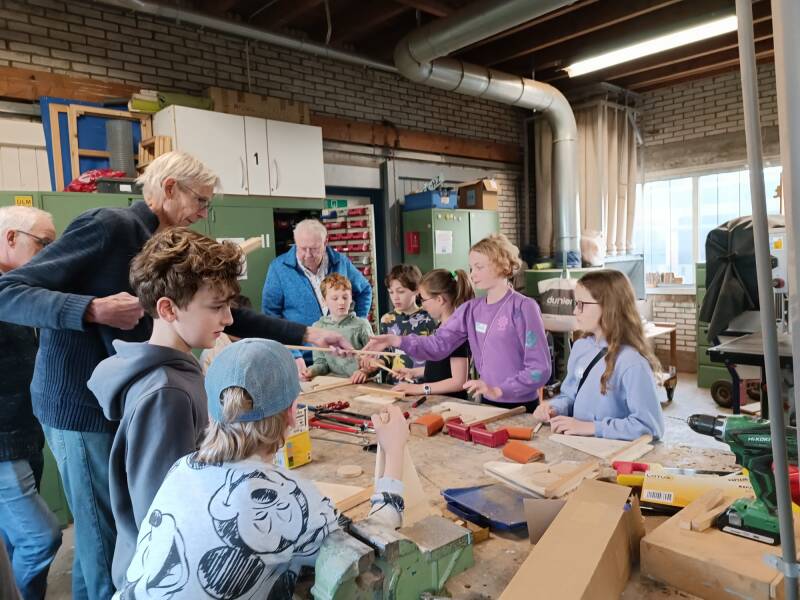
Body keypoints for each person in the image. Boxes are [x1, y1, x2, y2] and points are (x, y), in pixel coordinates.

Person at [0, 152, 350, 600]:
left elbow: (219, 310)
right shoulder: (109, 227)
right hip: (79, 405)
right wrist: (91, 309)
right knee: (105, 538)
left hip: (123, 387)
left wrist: (306, 333)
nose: (203, 213)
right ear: (169, 188)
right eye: (200, 200)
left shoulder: (166, 247)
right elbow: (8, 292)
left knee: (104, 537)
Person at [114, 338, 408, 599]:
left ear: (211, 413)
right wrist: (394, 451)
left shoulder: (182, 468)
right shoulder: (286, 496)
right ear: (292, 414)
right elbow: (372, 540)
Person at [88, 228, 243, 591]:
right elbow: (161, 514)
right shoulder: (166, 392)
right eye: (216, 307)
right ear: (168, 309)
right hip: (167, 579)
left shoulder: (180, 372)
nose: (228, 319)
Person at [366, 234, 550, 412]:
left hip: (522, 406)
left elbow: (539, 369)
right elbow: (437, 345)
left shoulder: (524, 307)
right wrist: (395, 340)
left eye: (479, 267)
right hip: (487, 403)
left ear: (500, 265)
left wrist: (500, 390)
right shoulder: (471, 310)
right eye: (471, 268)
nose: (472, 274)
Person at [0, 206, 61, 600]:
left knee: (11, 540)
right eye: (44, 244)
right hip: (3, 444)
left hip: (25, 433)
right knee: (41, 538)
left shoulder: (18, 289)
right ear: (10, 238)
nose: (51, 255)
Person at [533, 270, 665, 440]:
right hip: (579, 446)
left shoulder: (632, 362)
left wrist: (592, 427)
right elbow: (570, 396)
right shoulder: (580, 347)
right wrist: (553, 407)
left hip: (612, 452)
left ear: (608, 306)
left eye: (581, 304)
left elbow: (650, 427)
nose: (575, 311)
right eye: (575, 303)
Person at [261, 218, 372, 373]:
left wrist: (357, 322)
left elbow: (365, 290)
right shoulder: (278, 268)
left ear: (325, 242)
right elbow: (270, 316)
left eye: (314, 248)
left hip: (342, 358)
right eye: (302, 248)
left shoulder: (340, 262)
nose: (308, 255)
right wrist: (293, 354)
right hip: (302, 359)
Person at [390, 269, 474, 399]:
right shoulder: (441, 326)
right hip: (438, 401)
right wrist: (414, 372)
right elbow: (442, 369)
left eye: (423, 299)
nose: (422, 306)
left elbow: (458, 382)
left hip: (452, 403)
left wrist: (419, 388)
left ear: (439, 300)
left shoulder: (455, 333)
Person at [369, 264, 436, 385]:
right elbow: (387, 353)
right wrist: (377, 363)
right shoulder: (387, 319)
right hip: (395, 385)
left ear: (416, 290)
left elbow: (436, 357)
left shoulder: (429, 318)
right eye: (391, 292)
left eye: (401, 292)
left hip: (422, 386)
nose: (395, 297)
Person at [300, 273, 373, 383]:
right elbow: (321, 363)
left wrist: (365, 371)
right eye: (335, 298)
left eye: (345, 297)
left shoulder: (362, 325)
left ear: (351, 298)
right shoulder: (318, 327)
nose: (341, 302)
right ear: (324, 300)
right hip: (333, 383)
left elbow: (375, 359)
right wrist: (311, 371)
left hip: (361, 384)